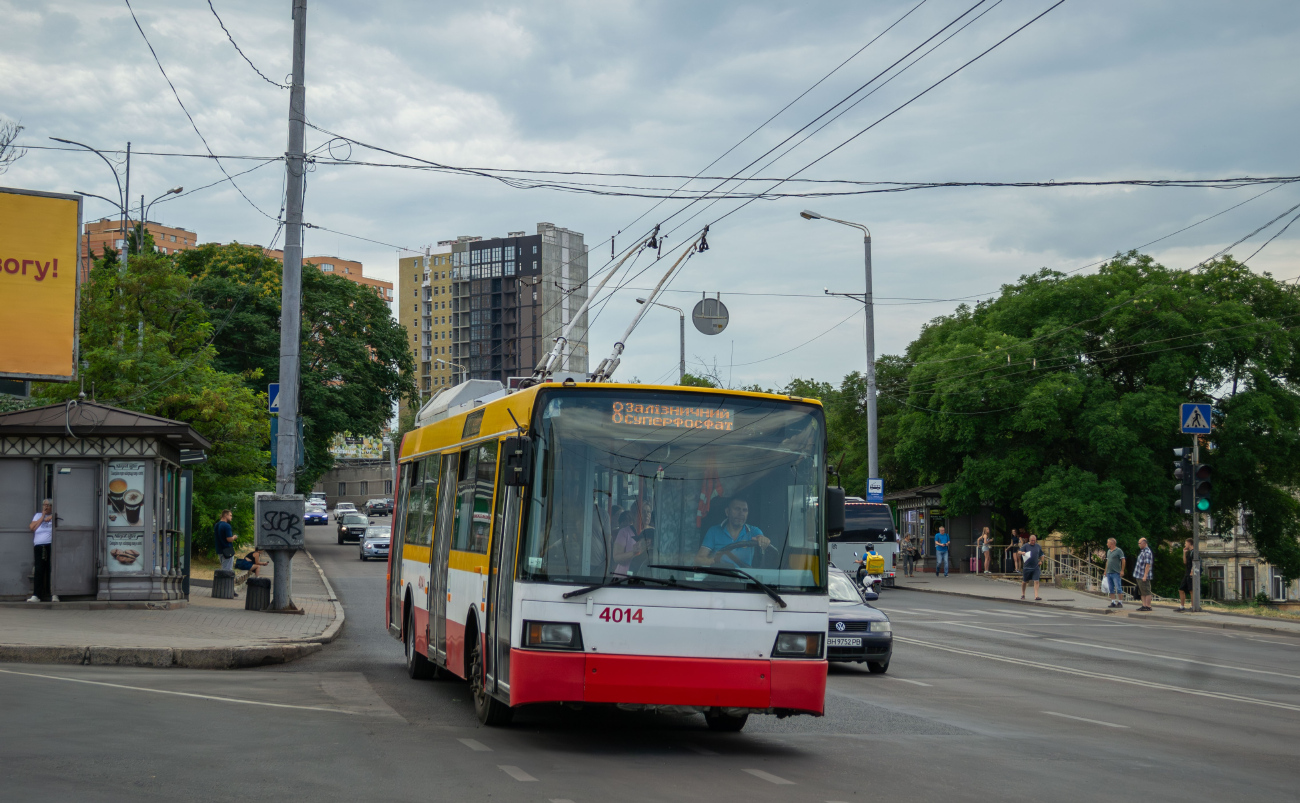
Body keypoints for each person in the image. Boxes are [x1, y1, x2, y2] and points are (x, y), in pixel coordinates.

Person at [696, 498, 771, 568]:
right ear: (727, 512)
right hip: (719, 577)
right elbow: (699, 559)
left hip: (745, 579)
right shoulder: (714, 531)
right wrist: (713, 562)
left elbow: (761, 538)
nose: (741, 513)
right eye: (737, 509)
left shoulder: (754, 531)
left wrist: (763, 540)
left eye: (744, 510)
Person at [28, 499, 56, 603]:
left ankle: (54, 593)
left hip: (50, 545)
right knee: (39, 569)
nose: (46, 507)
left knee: (51, 569)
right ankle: (36, 595)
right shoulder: (38, 515)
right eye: (44, 505)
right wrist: (42, 517)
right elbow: (32, 527)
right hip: (39, 546)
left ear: (52, 506)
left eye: (48, 505)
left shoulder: (54, 515)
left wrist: (52, 517)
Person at [611, 511, 642, 576]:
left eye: (648, 512)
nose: (647, 515)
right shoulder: (624, 532)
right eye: (643, 512)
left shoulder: (652, 532)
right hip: (624, 574)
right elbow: (616, 557)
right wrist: (633, 553)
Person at [1020, 533, 1043, 601]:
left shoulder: (1038, 546)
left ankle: (1036, 596)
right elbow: (1019, 551)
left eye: (1034, 540)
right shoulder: (1026, 546)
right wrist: (1022, 553)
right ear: (1029, 540)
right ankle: (1023, 594)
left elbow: (1042, 554)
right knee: (1024, 581)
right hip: (1027, 567)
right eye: (1032, 540)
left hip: (1035, 566)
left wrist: (1041, 561)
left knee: (1036, 581)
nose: (1033, 542)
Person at [1104, 537, 1126, 608]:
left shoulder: (1118, 550)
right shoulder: (1108, 551)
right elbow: (1107, 561)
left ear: (1111, 543)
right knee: (1111, 588)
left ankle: (1120, 602)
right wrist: (1105, 571)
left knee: (1118, 587)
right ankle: (1113, 602)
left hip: (1116, 572)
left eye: (1108, 542)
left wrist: (1122, 570)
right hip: (1109, 572)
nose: (1107, 544)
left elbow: (1123, 560)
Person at [1133, 537, 1154, 611]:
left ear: (1144, 543)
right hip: (1139, 575)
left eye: (1139, 543)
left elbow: (1147, 565)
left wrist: (1145, 576)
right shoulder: (1142, 551)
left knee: (1146, 590)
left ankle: (1148, 606)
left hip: (1143, 575)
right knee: (1142, 591)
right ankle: (1144, 605)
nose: (1138, 544)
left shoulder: (1147, 552)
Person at [1177, 538, 1194, 611]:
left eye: (1186, 543)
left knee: (1191, 590)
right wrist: (1184, 553)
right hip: (1187, 573)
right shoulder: (1189, 552)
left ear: (1189, 543)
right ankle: (1182, 606)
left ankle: (1193, 606)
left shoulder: (1194, 552)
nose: (1185, 544)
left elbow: (1195, 562)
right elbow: (1185, 562)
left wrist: (1192, 571)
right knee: (1181, 589)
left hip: (1191, 573)